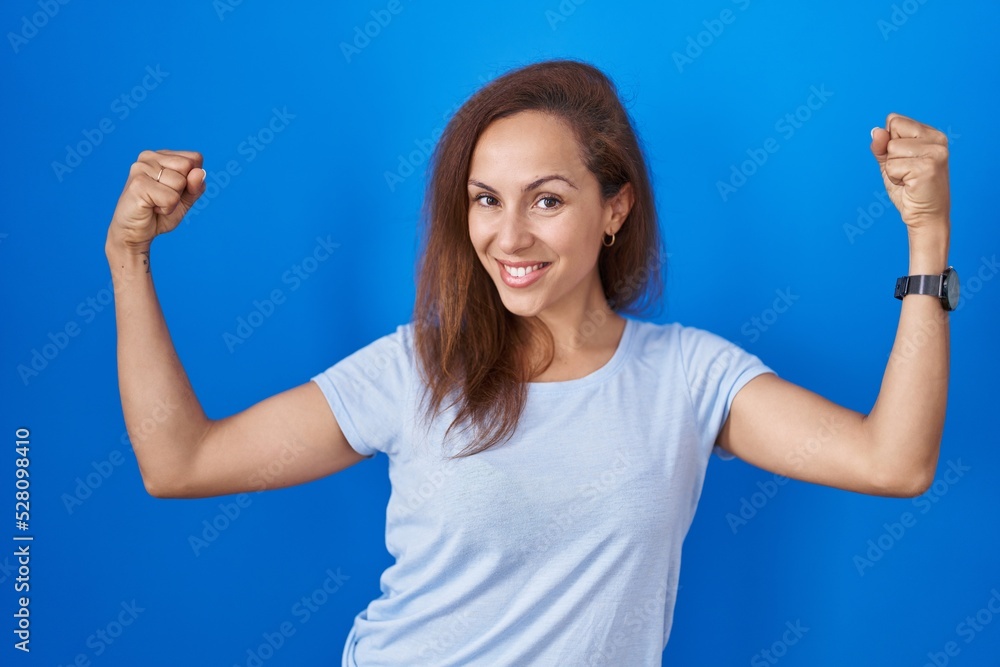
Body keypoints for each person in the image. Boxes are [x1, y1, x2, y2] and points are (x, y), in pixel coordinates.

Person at [105, 59, 953, 666]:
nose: (509, 237)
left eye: (547, 199)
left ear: (615, 207)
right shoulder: (414, 368)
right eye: (486, 200)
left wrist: (927, 238)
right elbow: (180, 462)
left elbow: (894, 461)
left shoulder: (690, 378)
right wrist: (129, 259)